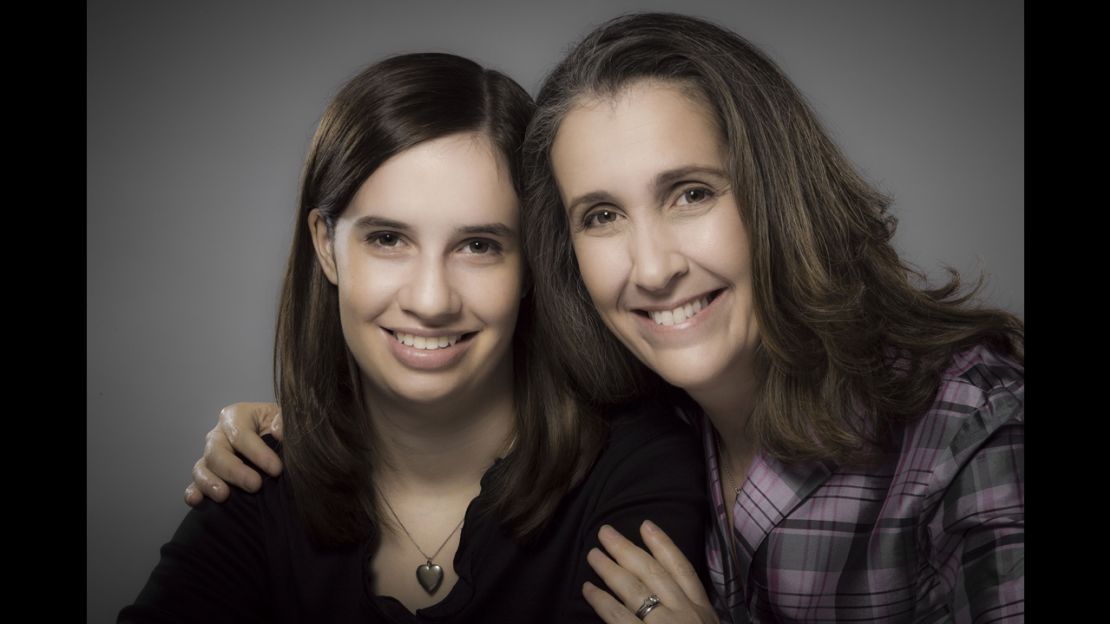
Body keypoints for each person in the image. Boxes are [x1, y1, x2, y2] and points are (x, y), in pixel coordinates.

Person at [186, 13, 1024, 624]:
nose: (652, 267)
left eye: (691, 193)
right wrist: (286, 423)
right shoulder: (654, 414)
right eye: (601, 216)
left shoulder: (969, 430)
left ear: (777, 190)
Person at [118, 51, 709, 624]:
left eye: (479, 246)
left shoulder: (638, 469)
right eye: (388, 239)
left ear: (531, 263)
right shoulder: (257, 479)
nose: (431, 301)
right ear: (326, 245)